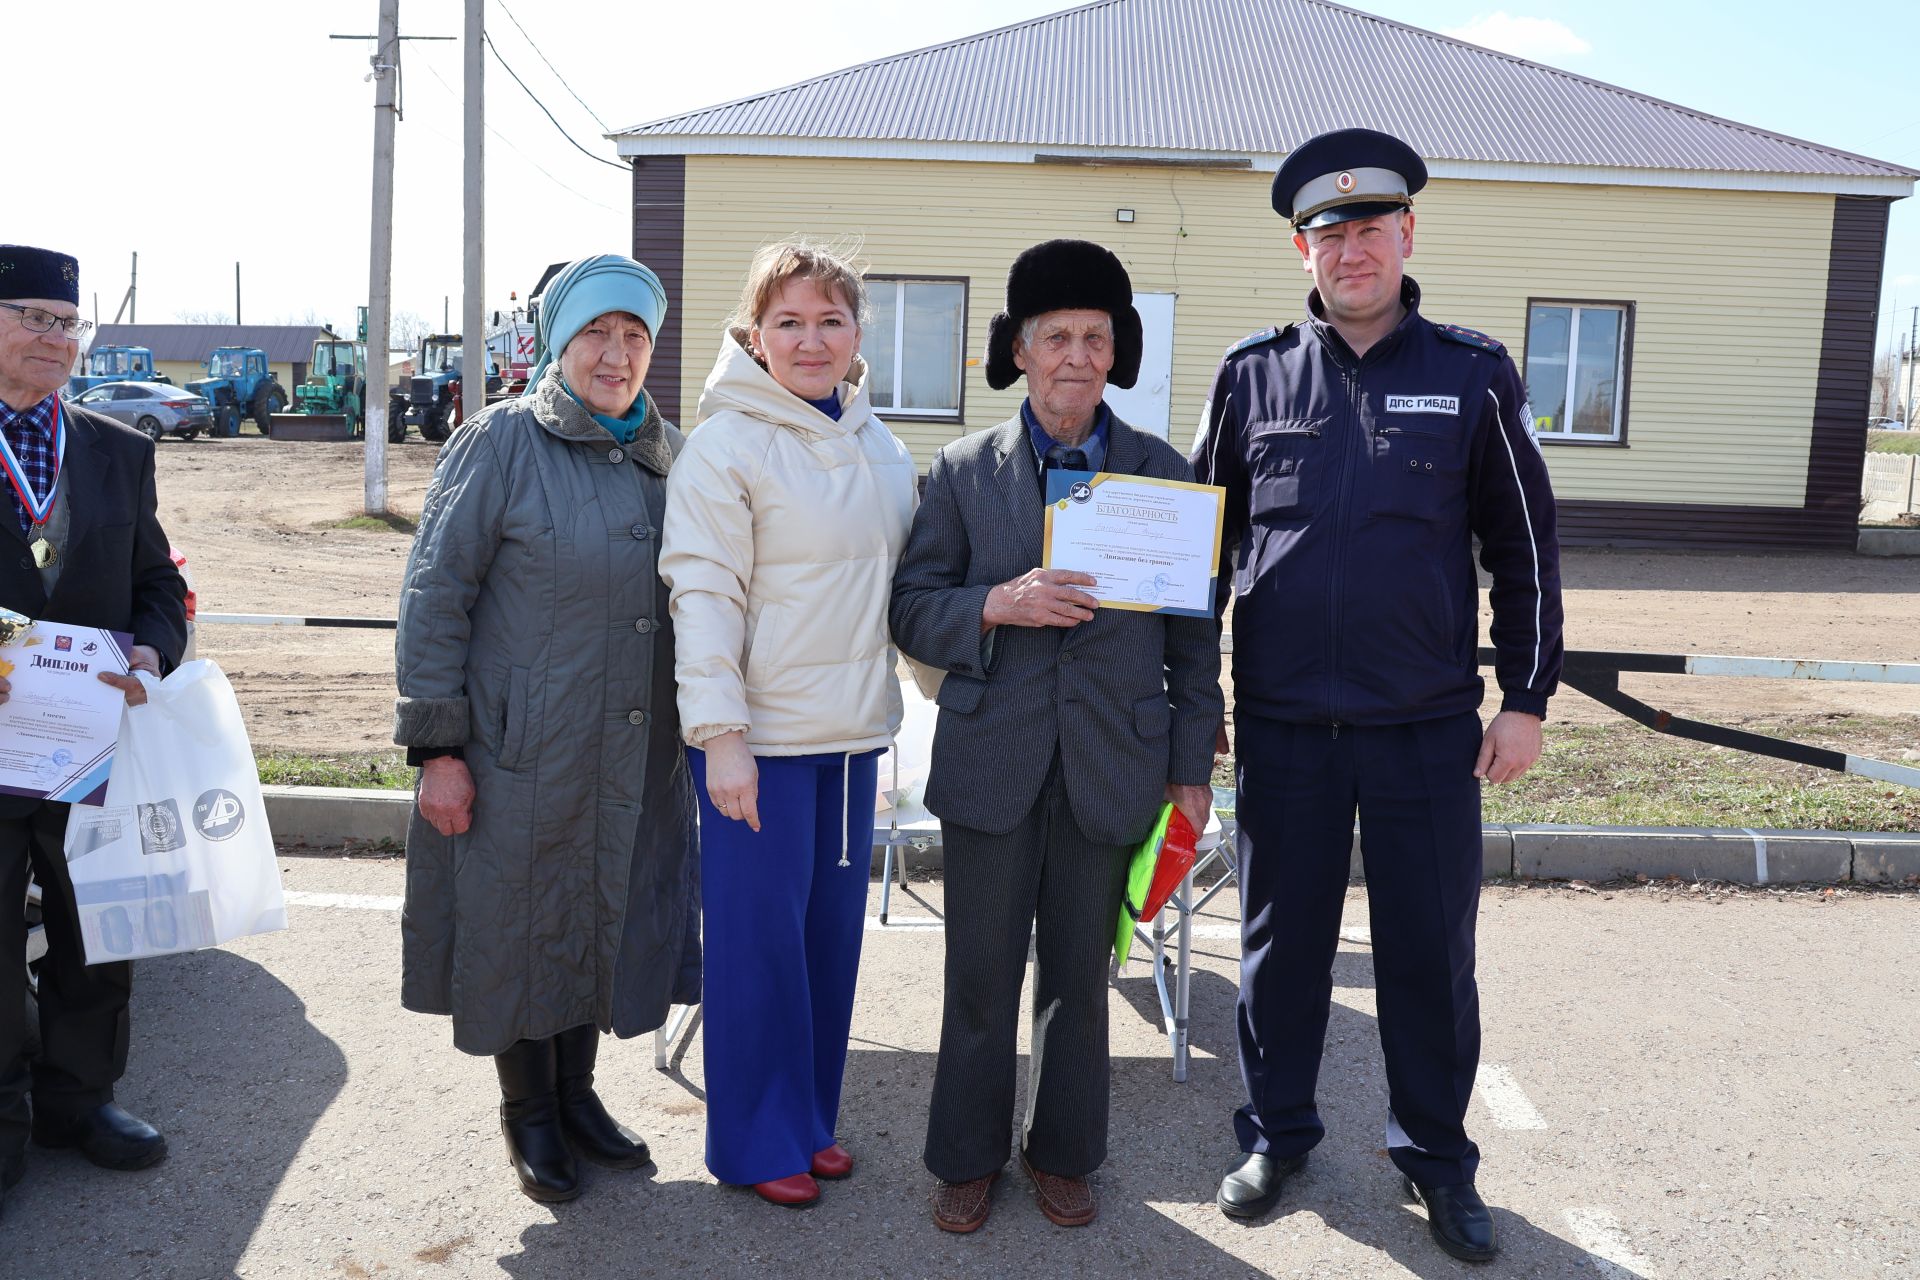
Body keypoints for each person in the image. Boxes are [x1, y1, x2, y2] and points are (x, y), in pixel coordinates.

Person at [1192, 129, 1563, 1263]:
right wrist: (1189, 697)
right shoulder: (1252, 376)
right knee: (1278, 951)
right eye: (1327, 233)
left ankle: (1438, 1161)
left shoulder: (1471, 372)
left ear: (1408, 234)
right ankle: (1279, 1135)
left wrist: (1527, 694)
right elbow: (1201, 548)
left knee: (1426, 958)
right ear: (1302, 250)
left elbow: (1525, 547)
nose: (1350, 251)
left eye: (1369, 229)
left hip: (1425, 730)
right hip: (1288, 727)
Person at [890, 240, 1222, 1233]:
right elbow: (910, 606)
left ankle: (1067, 1151)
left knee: (1080, 975)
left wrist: (1190, 766)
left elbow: (1196, 643)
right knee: (980, 975)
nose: (1074, 355)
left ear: (1115, 353)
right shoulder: (960, 471)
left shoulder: (1164, 476)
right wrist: (999, 602)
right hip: (993, 761)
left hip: (1111, 765)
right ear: (1022, 351)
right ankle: (965, 1155)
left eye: (1094, 337)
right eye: (1054, 336)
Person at [393, 254, 700, 1204]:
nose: (616, 355)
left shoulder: (670, 454)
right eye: (597, 335)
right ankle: (527, 1112)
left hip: (635, 749)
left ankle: (578, 1095)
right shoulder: (501, 442)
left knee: (601, 917)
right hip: (519, 749)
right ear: (559, 343)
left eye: (635, 337)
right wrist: (438, 748)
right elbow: (435, 595)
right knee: (520, 927)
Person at [660, 240, 915, 1210]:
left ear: (857, 334)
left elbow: (905, 583)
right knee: (757, 947)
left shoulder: (872, 436)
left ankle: (808, 1118)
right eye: (790, 321)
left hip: (851, 740)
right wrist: (720, 735)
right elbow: (706, 593)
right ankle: (753, 1136)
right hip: (758, 746)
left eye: (831, 320)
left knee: (824, 944)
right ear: (755, 334)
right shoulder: (727, 443)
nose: (812, 339)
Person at [0, 245, 189, 1214]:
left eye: (67, 322)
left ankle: (83, 1100)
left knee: (97, 930)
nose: (55, 338)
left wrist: (154, 652)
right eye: (33, 316)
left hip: (91, 746)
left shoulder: (119, 447)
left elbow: (157, 583)